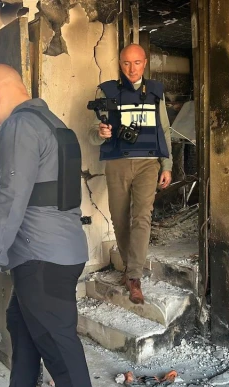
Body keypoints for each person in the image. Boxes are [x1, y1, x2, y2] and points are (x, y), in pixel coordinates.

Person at [0, 64, 94, 387]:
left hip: (41, 258)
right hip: (55, 252)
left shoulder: (19, 126)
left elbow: (10, 199)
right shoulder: (53, 124)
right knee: (22, 328)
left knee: (61, 352)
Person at [89, 43, 172, 304]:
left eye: (137, 63)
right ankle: (128, 266)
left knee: (142, 216)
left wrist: (167, 165)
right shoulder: (107, 91)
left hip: (149, 163)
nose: (132, 68)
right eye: (126, 63)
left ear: (144, 63)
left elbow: (164, 130)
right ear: (120, 64)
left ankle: (134, 276)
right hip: (117, 163)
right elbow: (92, 133)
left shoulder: (155, 91)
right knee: (119, 218)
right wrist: (100, 133)